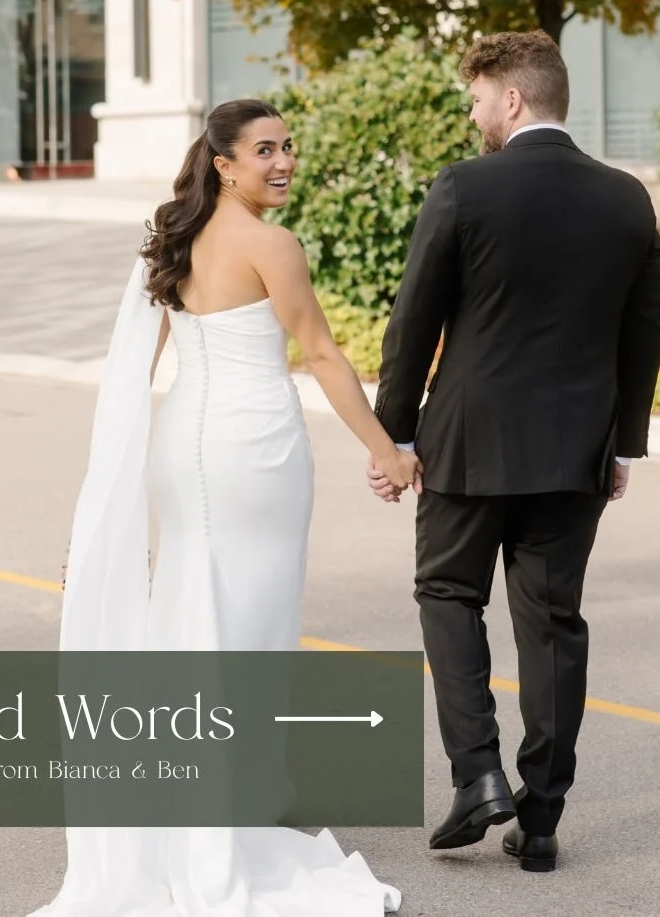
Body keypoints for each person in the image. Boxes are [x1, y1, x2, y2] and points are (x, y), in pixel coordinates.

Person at [29, 98, 412, 917]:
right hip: (253, 453)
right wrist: (385, 449)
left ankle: (199, 800)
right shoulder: (273, 245)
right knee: (249, 632)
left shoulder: (173, 236)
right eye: (264, 150)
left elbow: (132, 378)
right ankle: (221, 813)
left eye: (289, 147)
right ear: (225, 163)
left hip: (184, 448)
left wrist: (99, 517)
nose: (284, 162)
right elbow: (321, 353)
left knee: (195, 621)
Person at [367, 30, 660, 873]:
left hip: (468, 441)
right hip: (576, 449)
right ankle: (539, 817)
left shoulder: (465, 186)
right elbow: (643, 331)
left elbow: (413, 320)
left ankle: (477, 777)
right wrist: (624, 446)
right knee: (553, 622)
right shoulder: (627, 198)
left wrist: (393, 436)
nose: (473, 117)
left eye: (476, 101)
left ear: (512, 98)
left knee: (447, 593)